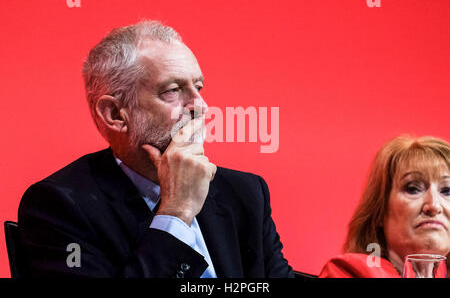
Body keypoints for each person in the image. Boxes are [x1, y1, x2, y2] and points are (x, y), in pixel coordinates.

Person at [17, 20, 293, 278]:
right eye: (173, 90)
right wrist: (176, 212)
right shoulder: (60, 207)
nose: (201, 106)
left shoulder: (245, 193)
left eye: (198, 87)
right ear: (115, 113)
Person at [319, 135, 450, 277]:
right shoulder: (349, 272)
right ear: (380, 211)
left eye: (447, 191)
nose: (433, 205)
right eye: (413, 189)